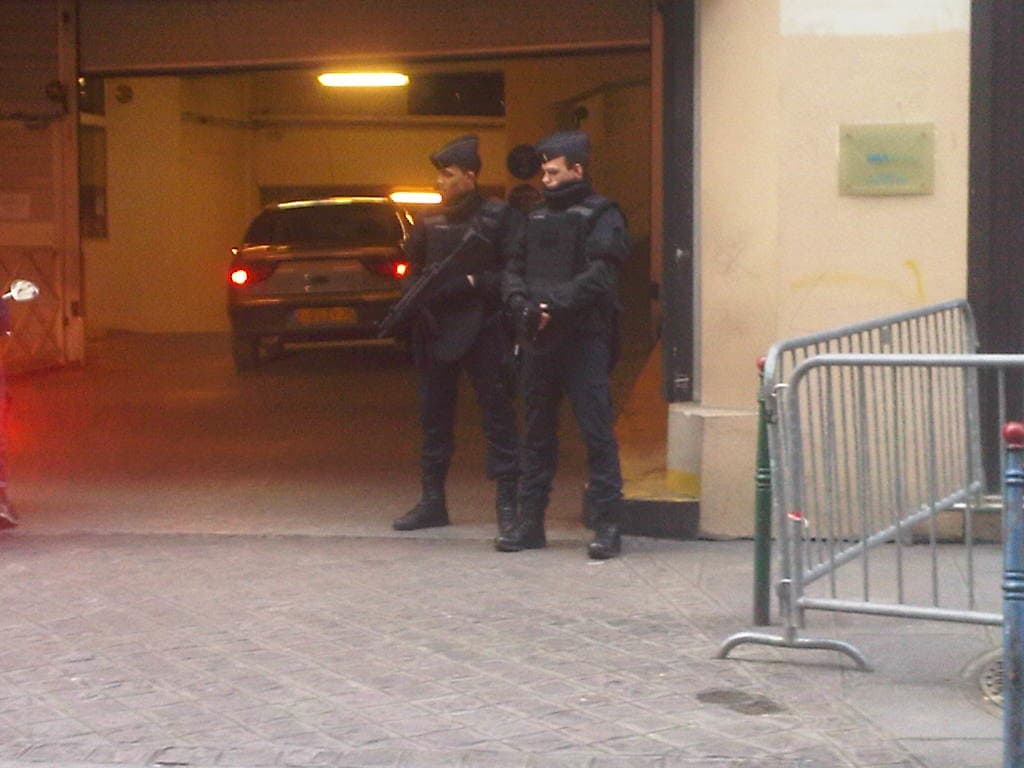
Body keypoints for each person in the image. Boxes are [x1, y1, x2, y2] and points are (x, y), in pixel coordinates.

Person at [498, 129, 629, 559]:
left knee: (596, 432)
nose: (546, 179)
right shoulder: (534, 216)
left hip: (583, 338)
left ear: (577, 169)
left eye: (554, 171)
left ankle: (608, 526)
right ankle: (529, 523)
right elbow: (513, 267)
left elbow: (602, 275)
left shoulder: (601, 214)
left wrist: (553, 304)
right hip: (539, 337)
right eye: (543, 172)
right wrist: (521, 304)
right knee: (536, 434)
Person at [392, 134, 521, 539]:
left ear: (470, 175)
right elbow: (409, 271)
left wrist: (471, 281)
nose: (439, 183)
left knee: (498, 418)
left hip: (484, 327)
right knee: (434, 418)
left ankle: (508, 505)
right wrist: (416, 301)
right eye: (438, 175)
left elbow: (514, 273)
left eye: (446, 175)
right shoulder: (428, 223)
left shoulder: (498, 218)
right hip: (437, 328)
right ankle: (433, 502)